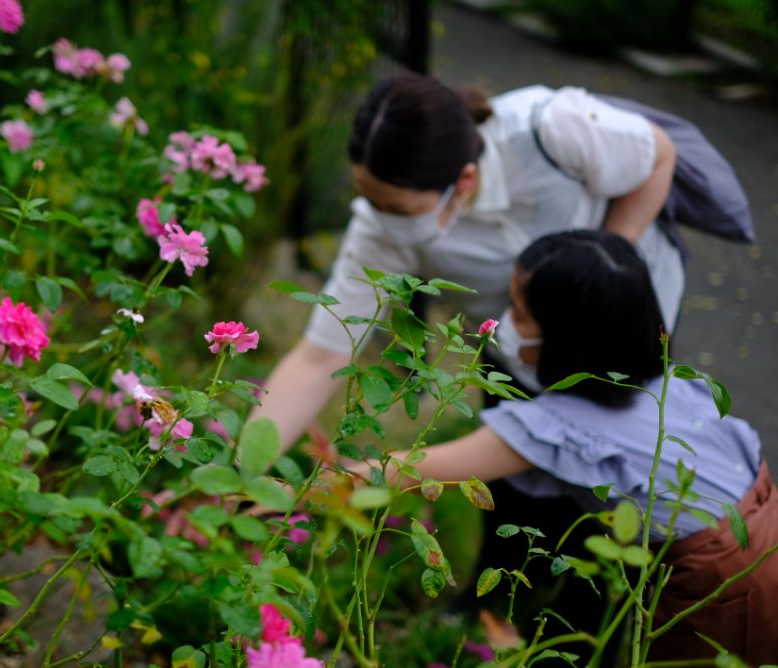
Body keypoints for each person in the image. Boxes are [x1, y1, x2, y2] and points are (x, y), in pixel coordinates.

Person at [342, 230, 777, 663]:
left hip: (725, 582)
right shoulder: (672, 386)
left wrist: (305, 489)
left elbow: (409, 469)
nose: (506, 321)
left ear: (569, 334)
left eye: (519, 311)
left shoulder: (556, 425)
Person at [252, 73, 684, 450]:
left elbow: (658, 152)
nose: (381, 220)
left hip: (627, 327)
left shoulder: (549, 129)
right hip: (520, 359)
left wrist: (602, 263)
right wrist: (236, 476)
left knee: (630, 470)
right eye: (369, 200)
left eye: (399, 209)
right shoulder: (378, 233)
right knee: (522, 507)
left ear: (465, 180)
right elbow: (318, 358)